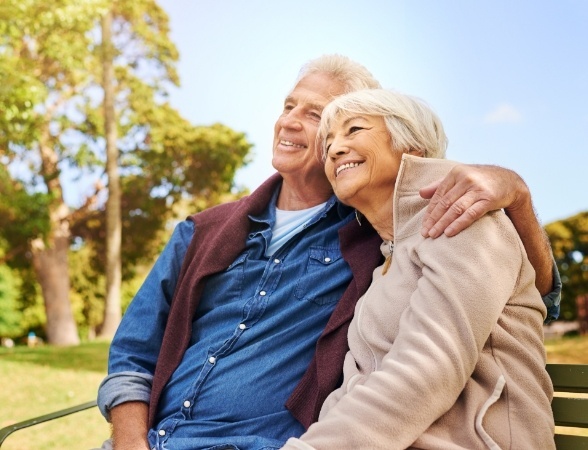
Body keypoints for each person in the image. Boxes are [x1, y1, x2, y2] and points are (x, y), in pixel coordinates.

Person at [96, 55, 560, 450]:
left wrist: (516, 193)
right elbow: (133, 355)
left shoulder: (389, 235)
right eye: (288, 106)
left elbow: (531, 298)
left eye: (325, 118)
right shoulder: (205, 231)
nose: (294, 123)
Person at [281, 89, 555, 450]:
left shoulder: (461, 216)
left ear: (412, 146)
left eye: (355, 129)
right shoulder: (382, 264)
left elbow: (429, 368)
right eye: (329, 142)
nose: (334, 149)